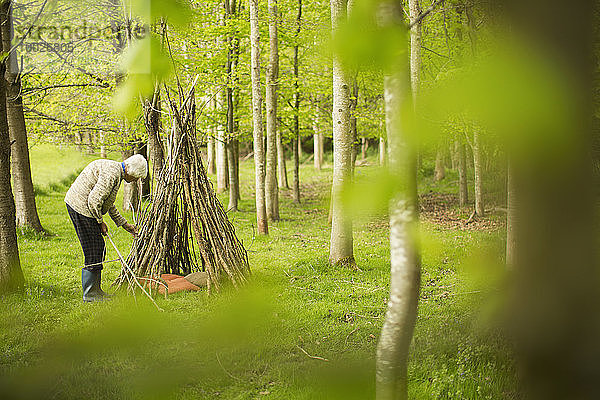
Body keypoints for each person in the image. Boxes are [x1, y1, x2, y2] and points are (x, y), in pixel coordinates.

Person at [65, 154, 148, 302]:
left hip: (85, 207)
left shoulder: (116, 171)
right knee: (94, 248)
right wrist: (99, 221)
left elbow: (107, 203)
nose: (135, 181)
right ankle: (90, 294)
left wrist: (124, 224)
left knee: (98, 247)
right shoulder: (112, 173)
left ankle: (96, 291)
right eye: (136, 177)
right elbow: (94, 201)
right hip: (80, 207)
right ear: (131, 171)